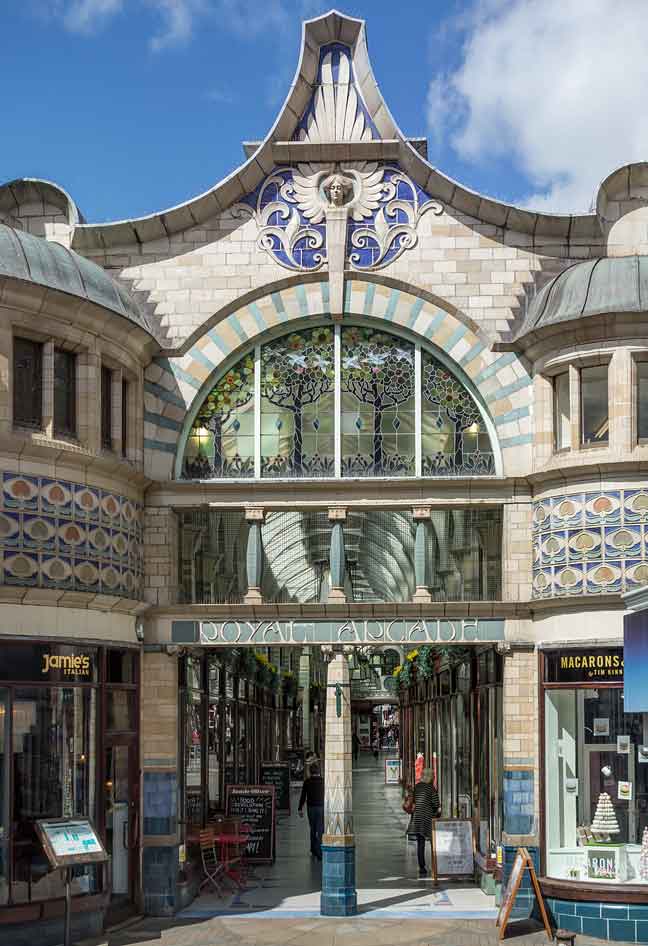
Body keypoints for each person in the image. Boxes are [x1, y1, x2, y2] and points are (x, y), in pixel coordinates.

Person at [410, 768, 440, 878]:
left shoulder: (417, 787)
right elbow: (436, 804)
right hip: (428, 819)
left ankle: (422, 868)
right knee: (433, 843)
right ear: (431, 777)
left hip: (417, 818)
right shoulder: (431, 788)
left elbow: (413, 801)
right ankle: (435, 866)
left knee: (420, 844)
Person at [298, 761, 324, 860]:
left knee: (312, 829)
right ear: (319, 771)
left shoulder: (307, 782)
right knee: (320, 829)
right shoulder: (323, 781)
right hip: (321, 807)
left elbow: (303, 795)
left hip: (311, 808)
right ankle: (319, 851)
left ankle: (313, 849)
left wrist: (300, 808)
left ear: (310, 771)